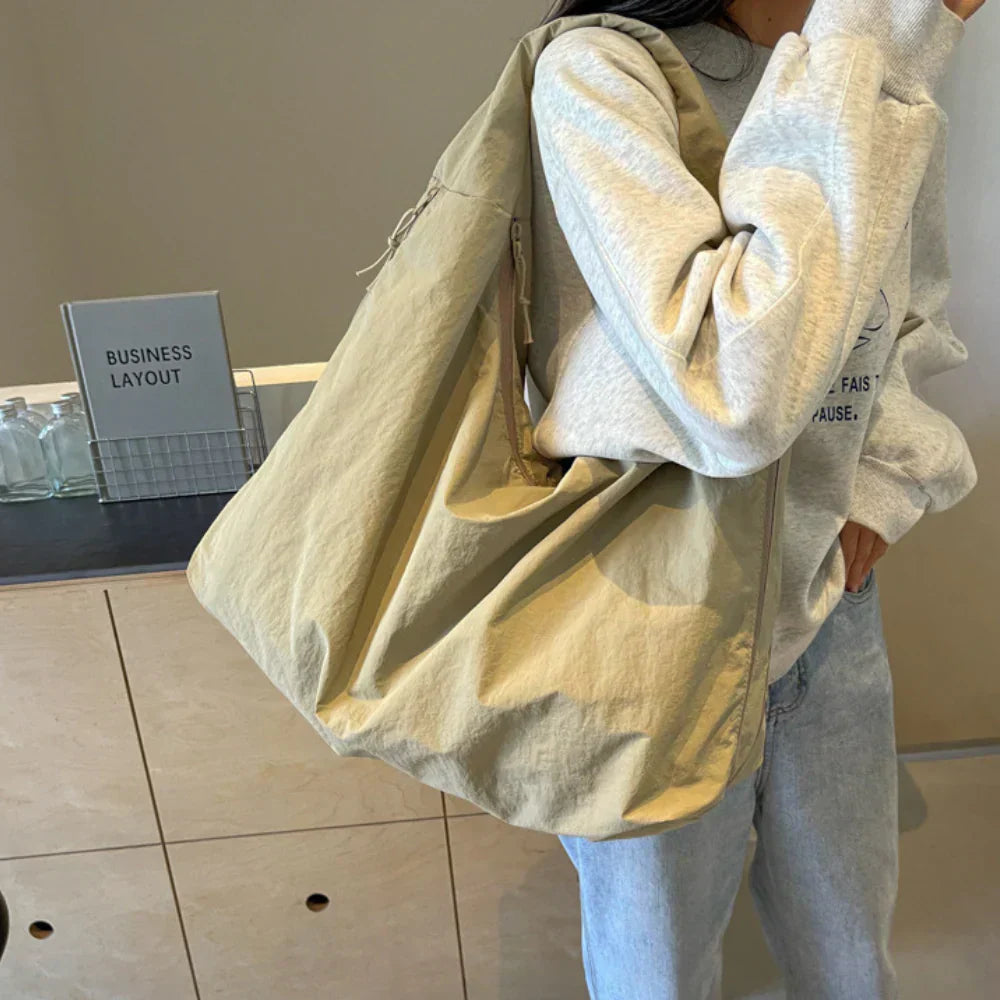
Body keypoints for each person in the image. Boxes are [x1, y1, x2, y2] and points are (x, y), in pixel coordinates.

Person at [529, 0, 985, 996]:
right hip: (651, 616)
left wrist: (876, 490)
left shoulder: (864, 68)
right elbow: (731, 390)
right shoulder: (598, 75)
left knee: (851, 961)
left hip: (827, 601)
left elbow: (909, 313)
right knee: (655, 974)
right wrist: (871, 41)